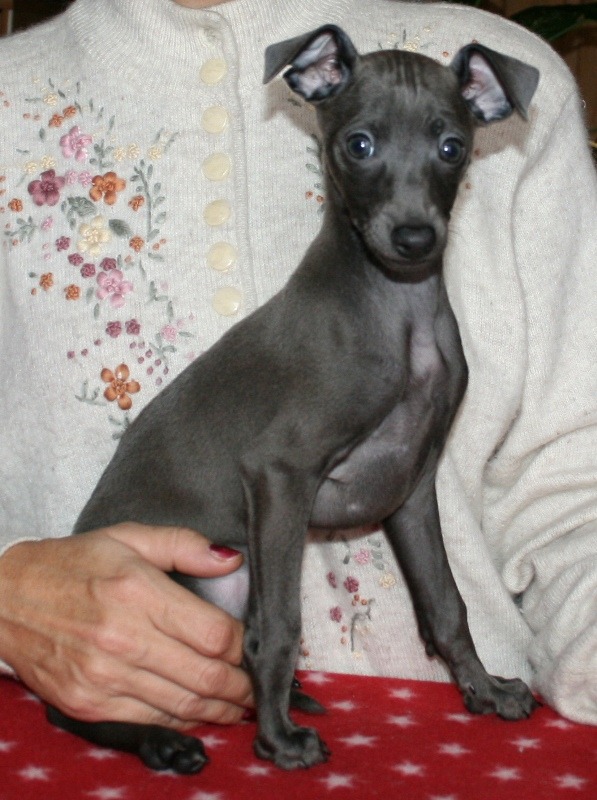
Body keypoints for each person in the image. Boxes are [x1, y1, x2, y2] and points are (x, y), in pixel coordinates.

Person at [0, 0, 595, 736]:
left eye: (446, 149)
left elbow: (577, 491)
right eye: (362, 146)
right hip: (69, 739)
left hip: (465, 744)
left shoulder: (500, 68)